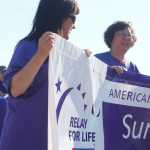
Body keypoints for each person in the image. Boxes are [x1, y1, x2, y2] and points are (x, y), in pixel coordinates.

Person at [0, 0, 80, 150]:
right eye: (73, 18)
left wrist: (86, 66)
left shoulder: (68, 56)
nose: (75, 25)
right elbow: (15, 89)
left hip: (55, 143)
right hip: (23, 141)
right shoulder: (27, 46)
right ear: (59, 17)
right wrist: (41, 53)